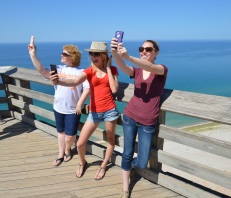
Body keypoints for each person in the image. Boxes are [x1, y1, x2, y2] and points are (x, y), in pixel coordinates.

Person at [50, 41, 120, 180]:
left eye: (96, 54)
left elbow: (114, 89)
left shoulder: (112, 70)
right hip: (94, 112)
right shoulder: (89, 71)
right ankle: (82, 163)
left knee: (110, 140)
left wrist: (108, 68)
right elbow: (74, 82)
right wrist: (58, 81)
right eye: (91, 53)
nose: (93, 56)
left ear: (103, 55)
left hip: (110, 111)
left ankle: (103, 166)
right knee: (80, 143)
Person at [110, 38, 168, 198]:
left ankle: (131, 168)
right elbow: (123, 67)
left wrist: (127, 57)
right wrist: (115, 52)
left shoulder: (161, 70)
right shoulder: (137, 71)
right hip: (130, 117)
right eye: (141, 49)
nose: (144, 51)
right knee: (127, 153)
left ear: (156, 52)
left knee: (142, 161)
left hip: (148, 123)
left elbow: (149, 66)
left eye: (148, 49)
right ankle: (125, 188)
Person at [28, 38, 90, 167]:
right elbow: (42, 71)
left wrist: (80, 103)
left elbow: (87, 88)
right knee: (60, 133)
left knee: (70, 135)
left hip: (73, 109)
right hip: (58, 107)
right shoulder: (58, 69)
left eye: (65, 54)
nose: (62, 55)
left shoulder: (81, 72)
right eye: (62, 53)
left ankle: (68, 149)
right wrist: (33, 54)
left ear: (72, 57)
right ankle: (61, 154)